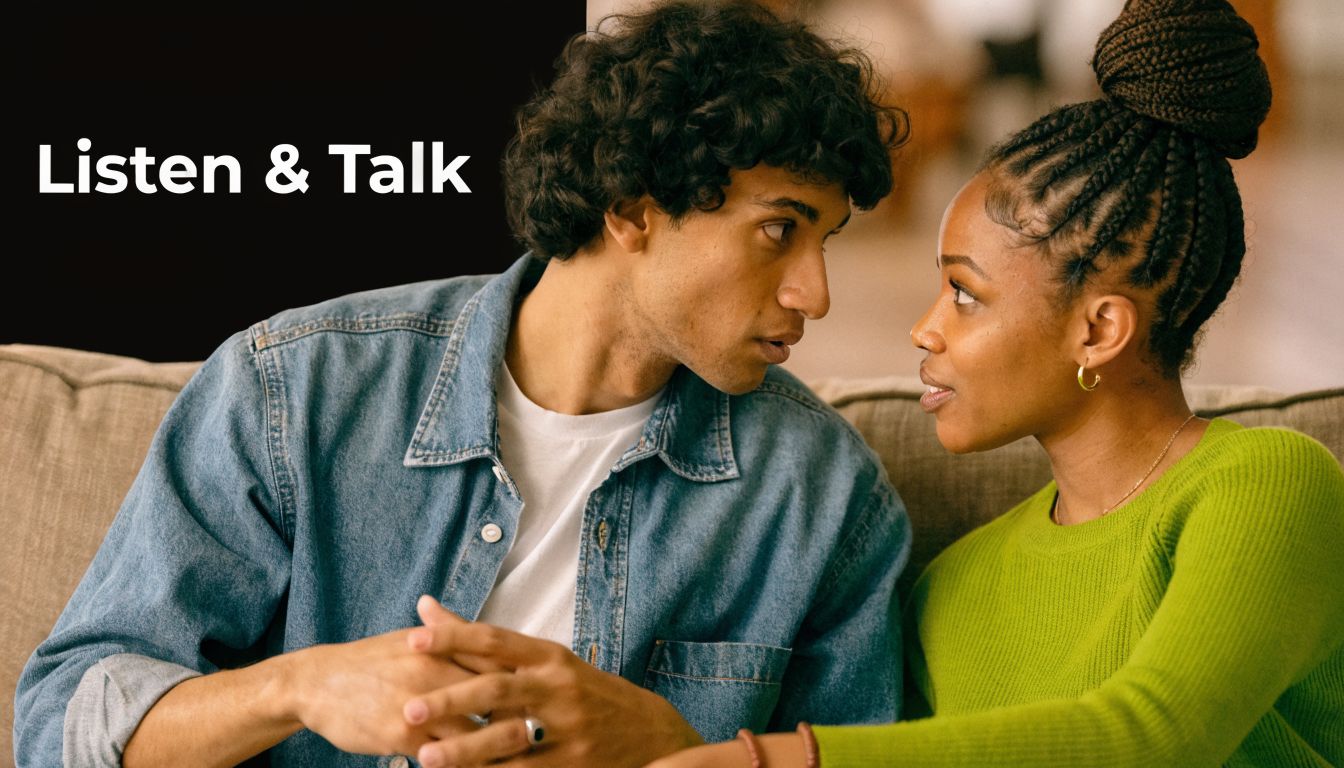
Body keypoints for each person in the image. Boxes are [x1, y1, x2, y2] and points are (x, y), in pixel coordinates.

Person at [13, 3, 912, 767]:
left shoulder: (823, 497)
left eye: (824, 240)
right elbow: (66, 723)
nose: (815, 294)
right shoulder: (296, 390)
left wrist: (672, 750)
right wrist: (301, 685)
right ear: (636, 205)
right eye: (779, 229)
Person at [647, 0, 1344, 766]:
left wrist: (773, 759)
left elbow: (1154, 736)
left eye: (965, 294)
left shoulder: (1269, 485)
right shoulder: (949, 591)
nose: (925, 328)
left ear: (1099, 331)